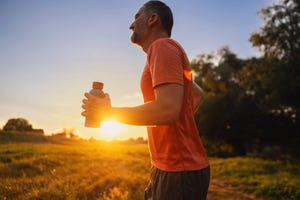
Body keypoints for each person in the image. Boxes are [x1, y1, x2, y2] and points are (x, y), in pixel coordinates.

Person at [82, 1, 210, 199]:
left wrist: (109, 113)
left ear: (153, 19)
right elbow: (197, 93)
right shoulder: (166, 52)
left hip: (178, 170)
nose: (131, 25)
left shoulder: (162, 47)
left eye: (136, 17)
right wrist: (179, 120)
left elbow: (168, 110)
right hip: (171, 166)